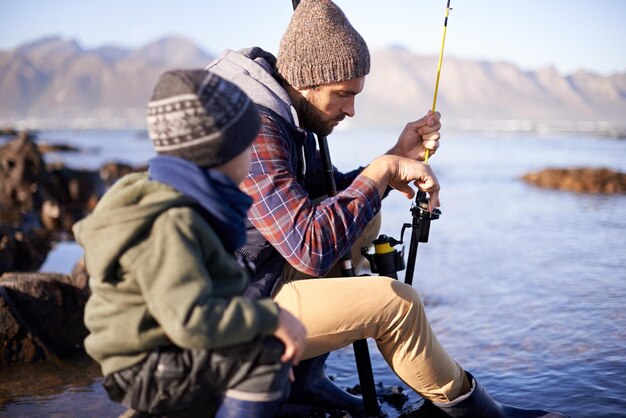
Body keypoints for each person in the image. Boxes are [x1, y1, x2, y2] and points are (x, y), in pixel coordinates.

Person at [206, 1, 570, 417]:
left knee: (364, 216)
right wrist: (382, 171)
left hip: (256, 271)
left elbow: (319, 196)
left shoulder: (280, 108)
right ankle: (476, 413)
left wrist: (394, 156)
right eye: (342, 94)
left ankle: (305, 383)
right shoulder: (255, 127)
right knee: (395, 303)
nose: (351, 109)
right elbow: (309, 246)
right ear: (306, 83)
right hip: (229, 307)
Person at [73, 69, 307, 418]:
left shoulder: (179, 199)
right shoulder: (171, 221)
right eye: (248, 146)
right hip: (144, 364)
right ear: (221, 154)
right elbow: (192, 319)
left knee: (253, 349)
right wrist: (271, 318)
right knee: (264, 361)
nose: (253, 156)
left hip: (159, 346)